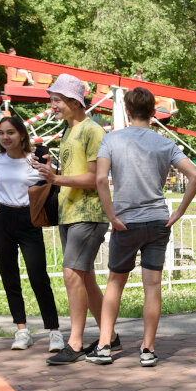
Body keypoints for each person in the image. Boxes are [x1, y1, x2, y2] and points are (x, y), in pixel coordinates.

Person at [86, 88, 196, 367]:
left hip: (126, 223)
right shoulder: (164, 144)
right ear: (153, 112)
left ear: (127, 110)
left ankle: (104, 346)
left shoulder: (111, 139)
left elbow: (101, 179)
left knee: (116, 283)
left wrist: (112, 216)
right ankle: (147, 350)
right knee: (152, 287)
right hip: (157, 221)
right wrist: (179, 211)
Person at [33, 75, 112, 364]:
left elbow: (95, 178)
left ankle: (75, 343)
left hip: (89, 213)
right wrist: (48, 169)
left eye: (57, 99)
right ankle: (109, 336)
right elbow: (72, 173)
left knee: (71, 275)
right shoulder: (68, 132)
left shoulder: (92, 130)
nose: (52, 105)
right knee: (85, 278)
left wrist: (56, 177)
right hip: (70, 213)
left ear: (75, 101)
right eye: (52, 99)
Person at [0, 115, 63, 352]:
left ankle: (54, 332)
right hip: (3, 219)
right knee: (9, 277)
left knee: (38, 276)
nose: (5, 137)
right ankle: (21, 330)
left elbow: (57, 180)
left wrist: (48, 170)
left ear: (22, 135)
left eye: (10, 133)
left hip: (30, 219)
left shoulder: (34, 160)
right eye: (1, 133)